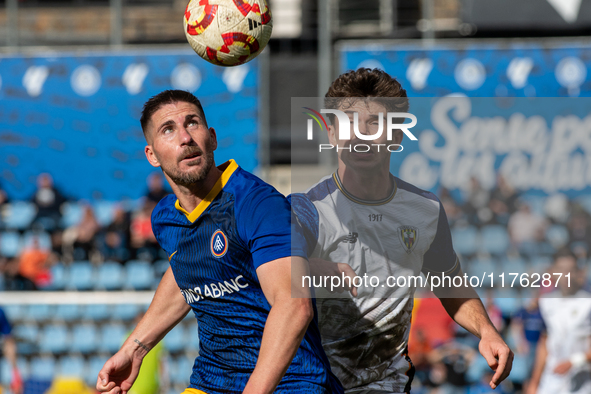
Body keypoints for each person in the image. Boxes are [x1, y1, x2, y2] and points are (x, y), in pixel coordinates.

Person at [96, 90, 343, 394]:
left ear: (211, 138)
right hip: (212, 380)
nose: (185, 138)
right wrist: (134, 349)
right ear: (152, 155)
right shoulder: (165, 218)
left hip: (290, 381)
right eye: (168, 130)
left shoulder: (255, 203)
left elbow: (294, 304)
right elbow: (188, 270)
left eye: (193, 123)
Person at [290, 68, 513, 393]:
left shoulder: (425, 210)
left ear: (396, 135)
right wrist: (310, 267)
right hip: (317, 387)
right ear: (332, 133)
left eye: (375, 123)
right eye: (349, 122)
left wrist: (487, 331)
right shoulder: (305, 209)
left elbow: (449, 285)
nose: (361, 134)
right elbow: (267, 274)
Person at [527, 249, 591, 394]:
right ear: (553, 272)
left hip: (582, 383)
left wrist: (573, 362)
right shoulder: (545, 303)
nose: (566, 275)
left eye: (571, 270)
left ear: (579, 272)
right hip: (551, 381)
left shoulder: (588, 303)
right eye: (561, 270)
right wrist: (534, 382)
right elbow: (543, 344)